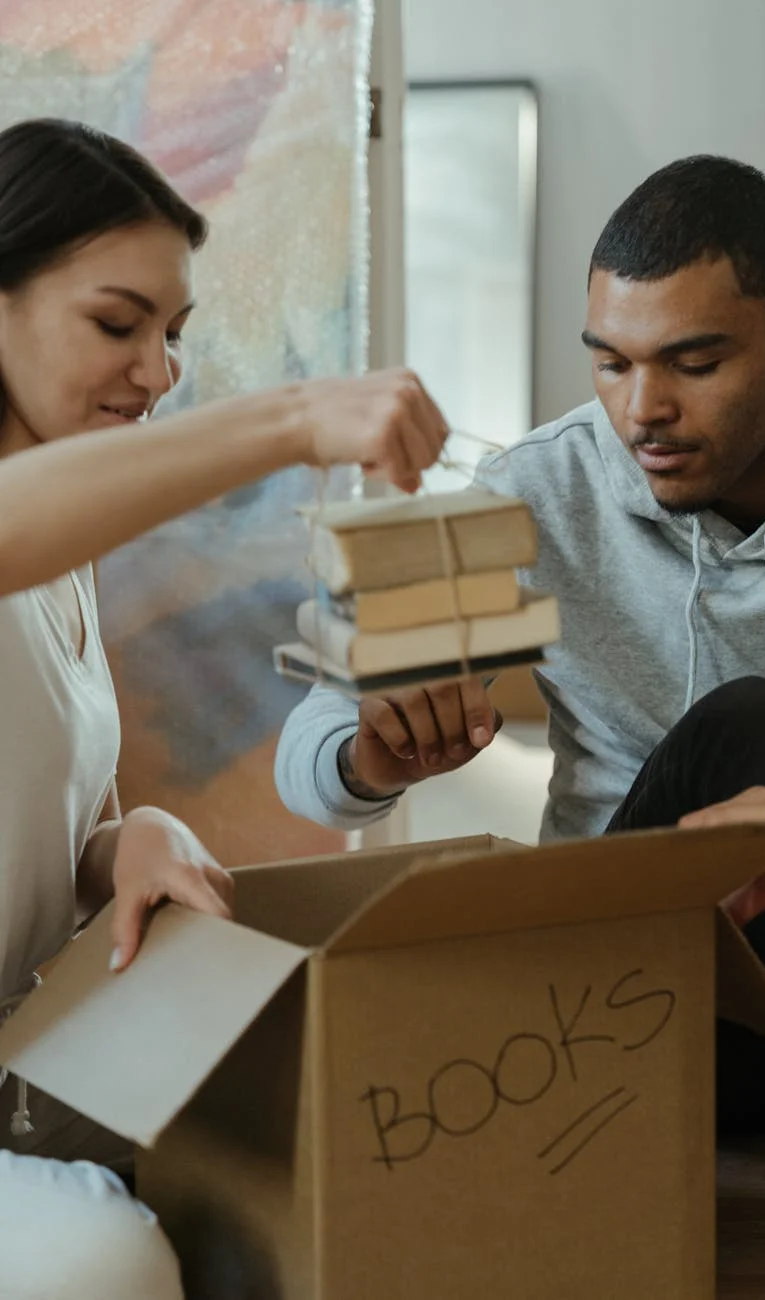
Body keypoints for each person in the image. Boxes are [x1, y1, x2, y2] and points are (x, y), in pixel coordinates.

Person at [275, 154, 765, 1138]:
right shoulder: (536, 491)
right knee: (746, 726)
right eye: (611, 361)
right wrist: (367, 751)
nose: (643, 411)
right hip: (631, 1008)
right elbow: (309, 756)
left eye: (695, 362)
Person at [0, 117, 447, 1299]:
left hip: (29, 1056)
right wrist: (296, 418)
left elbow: (73, 820)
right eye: (117, 323)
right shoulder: (26, 527)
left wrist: (136, 838)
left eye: (175, 332)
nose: (158, 372)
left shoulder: (66, 557)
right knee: (108, 1261)